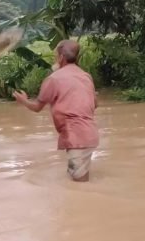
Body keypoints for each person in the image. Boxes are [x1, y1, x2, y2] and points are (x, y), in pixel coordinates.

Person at [13, 40, 99, 182]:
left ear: (60, 57)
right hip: (90, 135)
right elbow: (95, 104)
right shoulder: (86, 76)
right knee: (74, 177)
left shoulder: (54, 79)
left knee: (80, 185)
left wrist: (23, 100)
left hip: (76, 137)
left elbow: (37, 107)